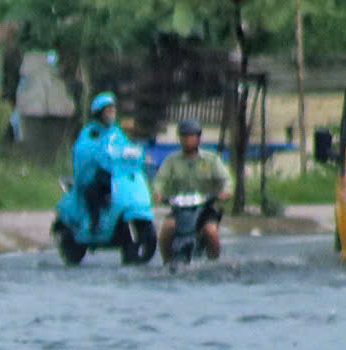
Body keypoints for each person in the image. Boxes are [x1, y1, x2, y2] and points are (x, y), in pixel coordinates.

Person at [152, 118, 232, 260]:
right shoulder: (171, 160)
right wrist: (158, 193)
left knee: (210, 232)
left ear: (198, 138)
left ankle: (214, 261)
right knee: (166, 229)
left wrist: (224, 192)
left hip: (206, 208)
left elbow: (225, 180)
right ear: (180, 138)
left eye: (192, 136)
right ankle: (166, 261)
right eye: (185, 136)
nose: (188, 140)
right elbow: (160, 180)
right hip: (180, 208)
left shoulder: (211, 159)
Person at [73, 91, 137, 231]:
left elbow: (125, 147)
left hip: (116, 174)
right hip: (95, 173)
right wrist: (97, 151)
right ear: (99, 113)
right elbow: (83, 149)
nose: (112, 113)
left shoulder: (116, 132)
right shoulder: (91, 131)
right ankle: (94, 221)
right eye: (108, 110)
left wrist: (132, 153)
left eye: (113, 109)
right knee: (93, 190)